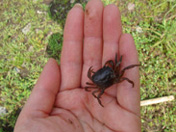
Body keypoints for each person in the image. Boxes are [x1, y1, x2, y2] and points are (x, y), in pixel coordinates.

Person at [14, 0, 141, 131]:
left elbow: (96, 92)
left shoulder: (96, 84)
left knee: (120, 68)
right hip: (111, 80)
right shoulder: (108, 77)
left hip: (106, 82)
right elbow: (117, 66)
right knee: (122, 69)